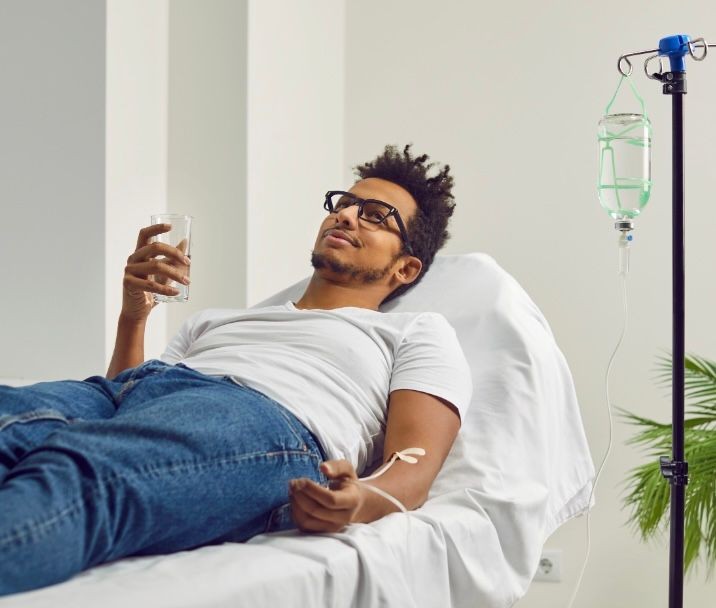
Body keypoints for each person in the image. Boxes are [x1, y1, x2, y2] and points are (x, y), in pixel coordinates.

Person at [0, 143, 472, 597]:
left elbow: (412, 467)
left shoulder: (417, 331)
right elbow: (124, 395)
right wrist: (134, 316)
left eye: (374, 215)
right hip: (143, 392)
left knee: (85, 472)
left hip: (265, 419)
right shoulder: (217, 321)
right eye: (344, 204)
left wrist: (361, 501)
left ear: (405, 269)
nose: (345, 215)